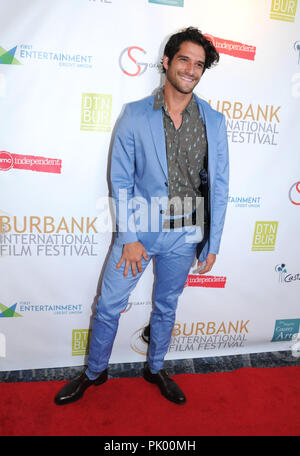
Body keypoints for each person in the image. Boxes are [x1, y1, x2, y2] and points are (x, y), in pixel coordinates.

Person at [54, 26, 229, 406]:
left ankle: (155, 367)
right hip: (140, 227)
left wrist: (212, 242)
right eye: (184, 59)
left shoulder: (214, 121)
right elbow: (120, 178)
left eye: (199, 65)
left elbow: (219, 185)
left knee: (167, 306)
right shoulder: (134, 115)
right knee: (109, 306)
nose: (191, 70)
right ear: (166, 62)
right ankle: (94, 372)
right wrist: (129, 237)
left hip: (186, 232)